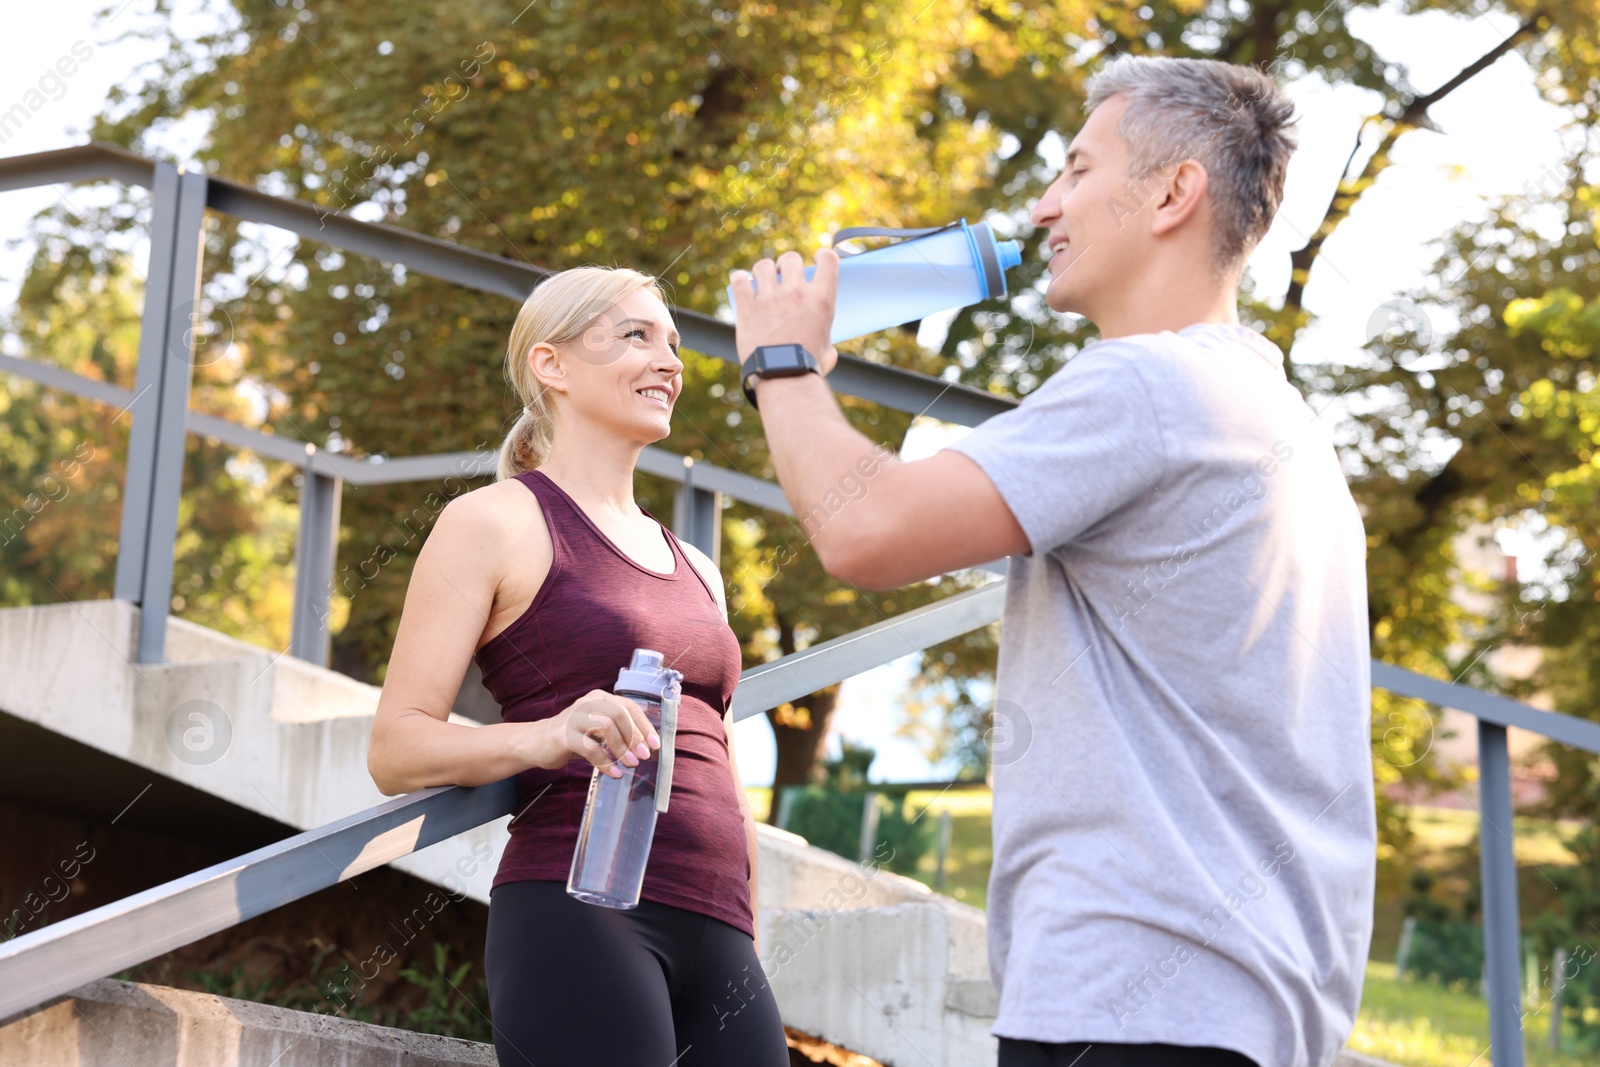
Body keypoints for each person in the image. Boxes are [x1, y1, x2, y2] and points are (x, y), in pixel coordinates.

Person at [730, 54, 1374, 1067]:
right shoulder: (1279, 421)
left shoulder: (1145, 386)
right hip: (1244, 1001)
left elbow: (868, 529)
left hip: (1134, 993)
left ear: (1172, 191)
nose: (1042, 207)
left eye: (1077, 170)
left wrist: (780, 362)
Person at [366, 266, 788, 1067]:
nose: (669, 360)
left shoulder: (698, 564)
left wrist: (750, 927)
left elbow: (722, 767)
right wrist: (545, 735)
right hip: (581, 908)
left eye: (673, 343)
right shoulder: (493, 522)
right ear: (551, 365)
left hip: (721, 926)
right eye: (635, 336)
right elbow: (396, 745)